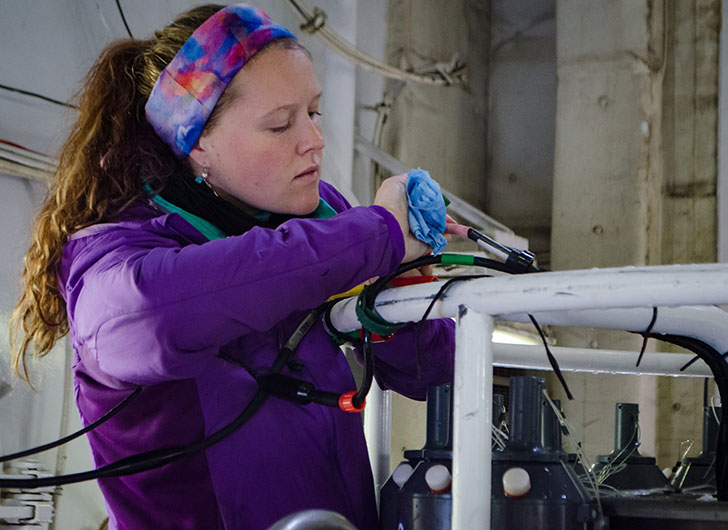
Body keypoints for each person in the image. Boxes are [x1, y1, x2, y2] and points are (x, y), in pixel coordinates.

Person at [9, 4, 454, 529]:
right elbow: (149, 315)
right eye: (279, 124)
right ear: (196, 142)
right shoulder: (111, 257)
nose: (314, 140)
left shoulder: (314, 226)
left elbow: (439, 375)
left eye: (312, 112)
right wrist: (371, 237)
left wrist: (395, 288)